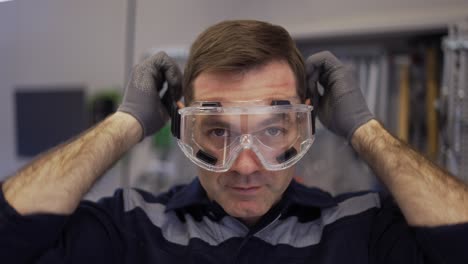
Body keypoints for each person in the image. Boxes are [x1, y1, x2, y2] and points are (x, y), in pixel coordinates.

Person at [1, 20, 467, 264]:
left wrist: (365, 129)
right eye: (218, 130)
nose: (245, 166)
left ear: (304, 124)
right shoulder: (129, 227)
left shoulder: (364, 227)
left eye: (272, 129)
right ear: (185, 126)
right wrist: (125, 124)